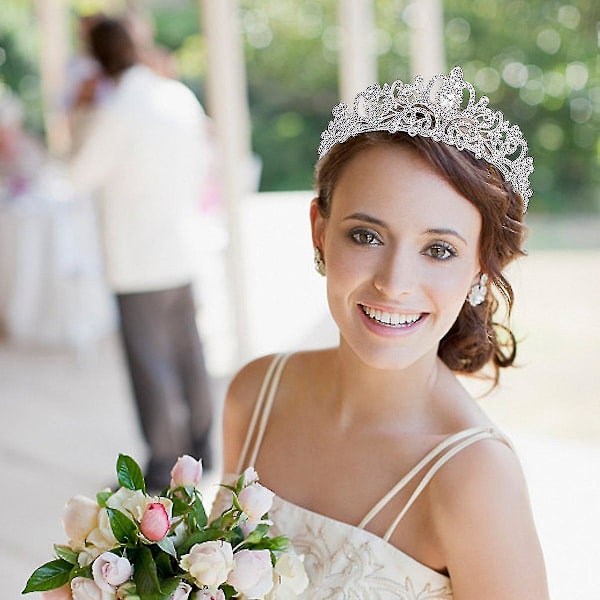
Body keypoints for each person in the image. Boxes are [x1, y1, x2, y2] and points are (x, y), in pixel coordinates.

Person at [215, 68, 549, 598]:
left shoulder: (476, 479)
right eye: (366, 236)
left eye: (438, 249)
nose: (394, 284)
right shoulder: (254, 394)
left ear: (482, 269)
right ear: (320, 232)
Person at [69, 18, 214, 489]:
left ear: (97, 56)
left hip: (138, 257)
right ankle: (201, 446)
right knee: (188, 353)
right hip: (182, 242)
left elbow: (78, 174)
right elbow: (203, 158)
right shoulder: (176, 95)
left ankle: (164, 463)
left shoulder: (117, 109)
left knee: (151, 364)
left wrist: (80, 111)